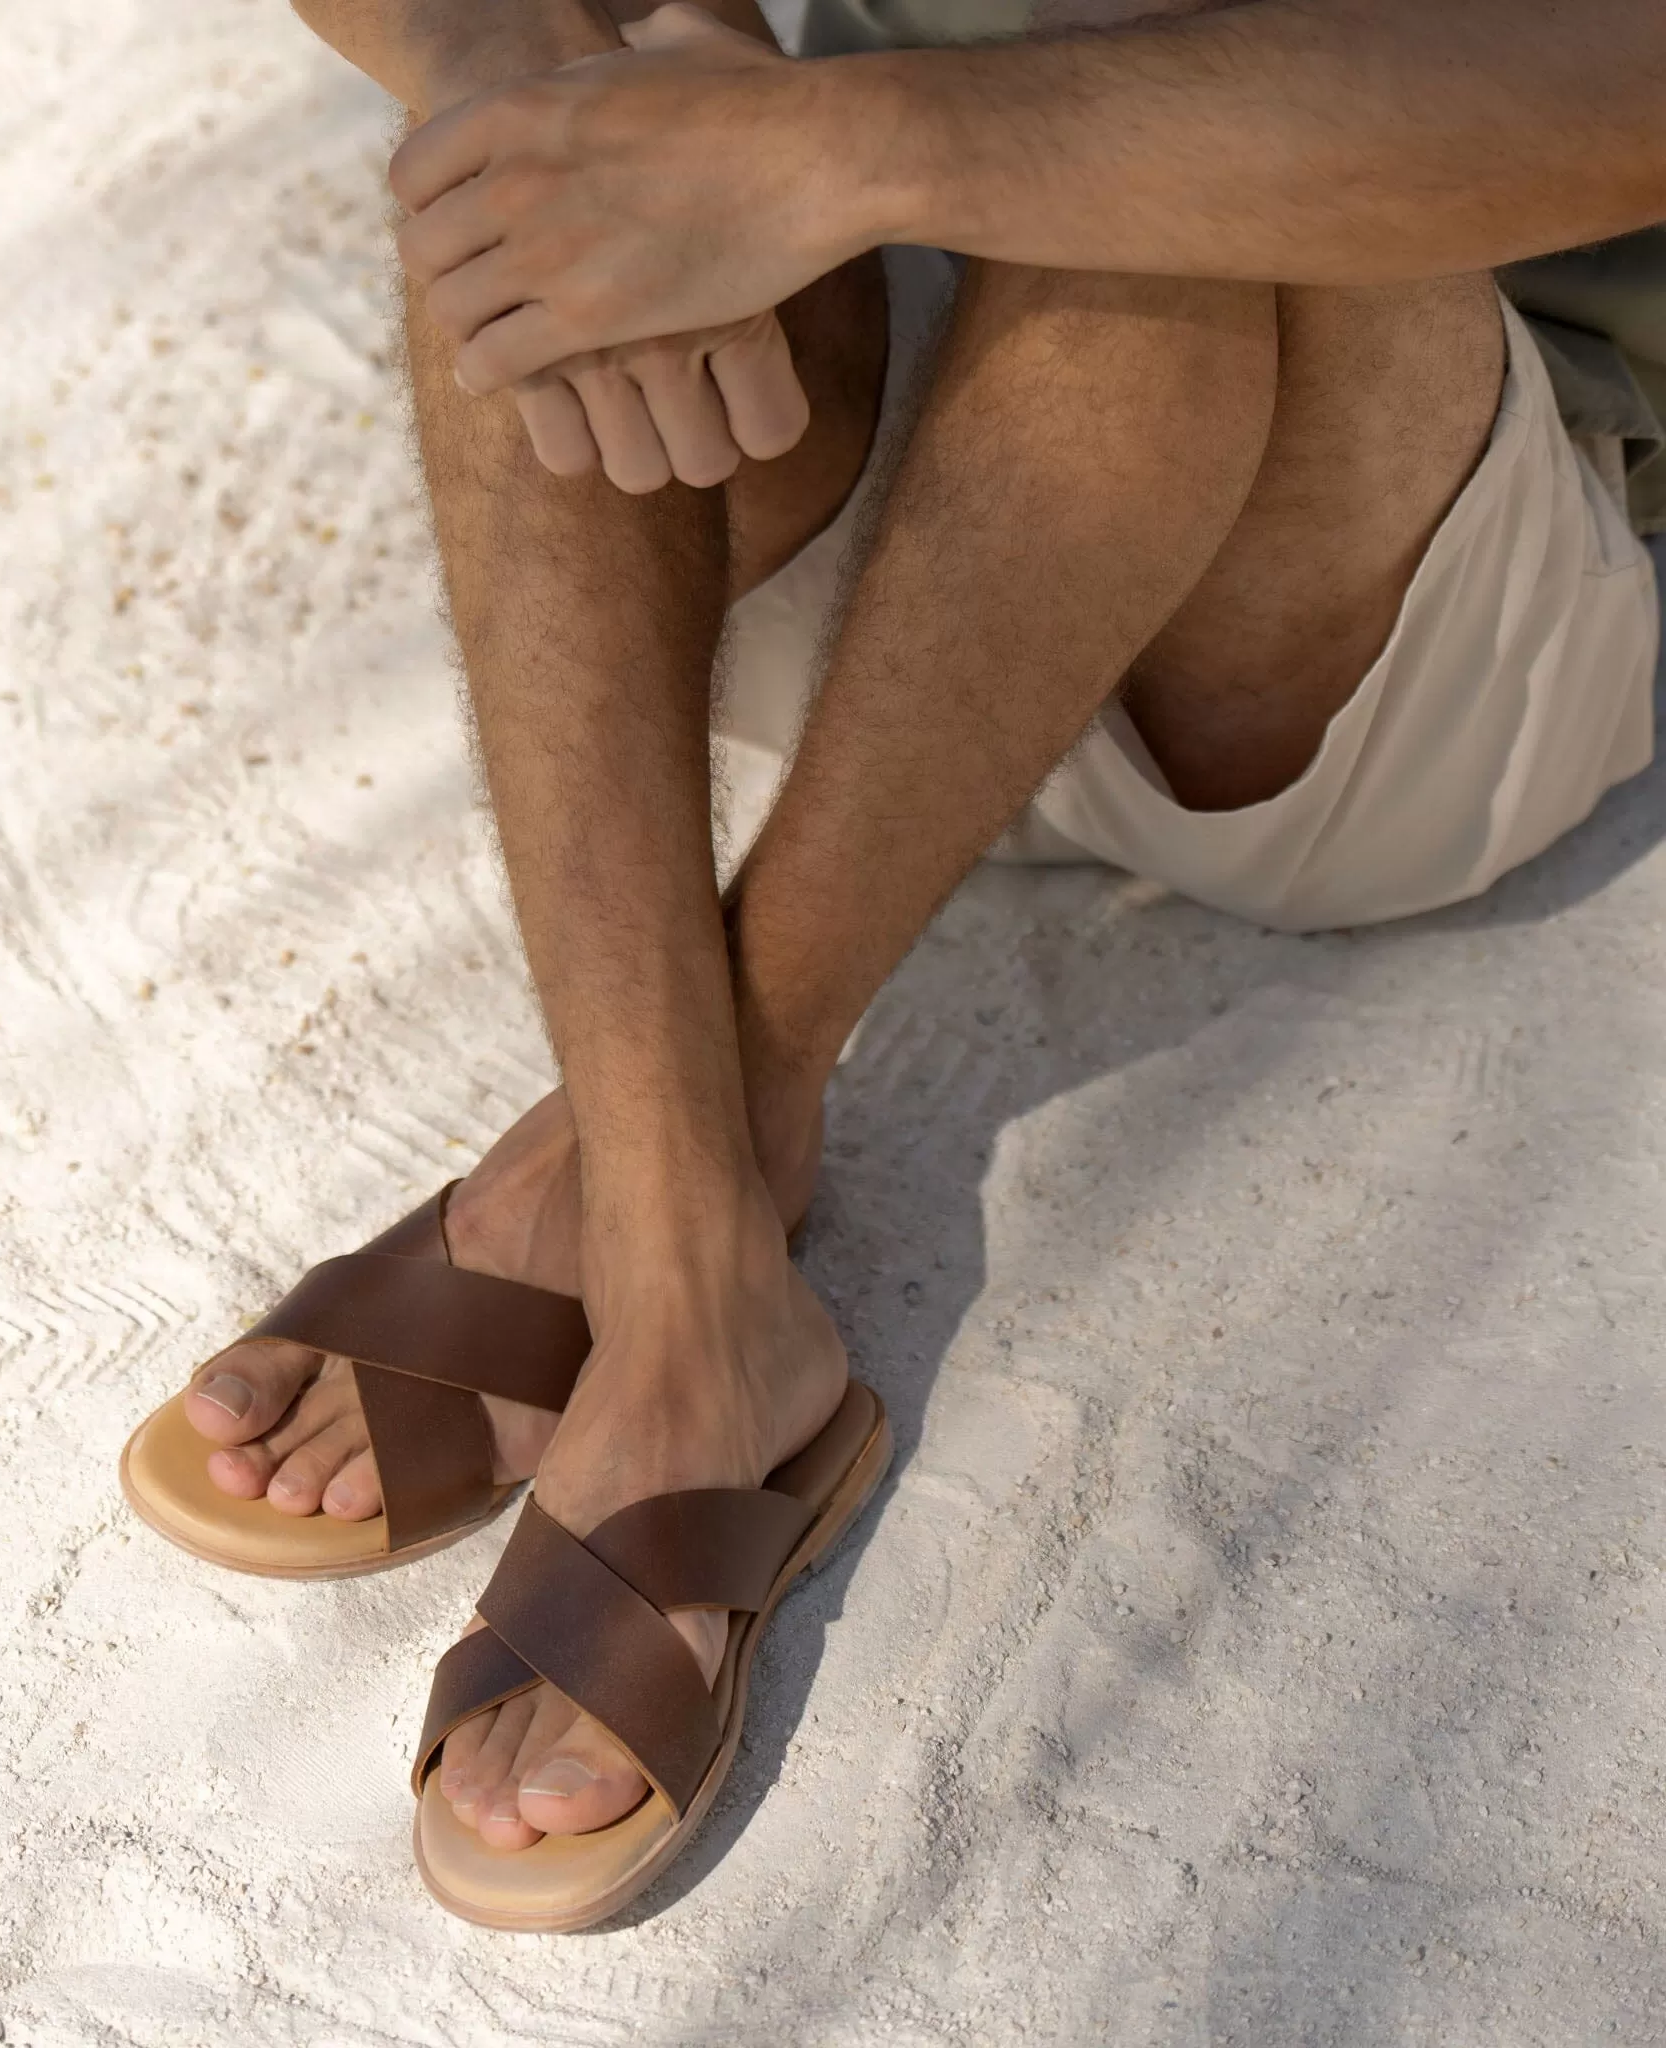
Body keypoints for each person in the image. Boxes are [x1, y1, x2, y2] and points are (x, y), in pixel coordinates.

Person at [119, 0, 1664, 1927]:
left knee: (1162, 120)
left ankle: (672, 1168)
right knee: (536, 139)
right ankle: (695, 1239)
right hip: (905, 544)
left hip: (1370, 618)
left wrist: (833, 156)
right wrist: (517, 76)